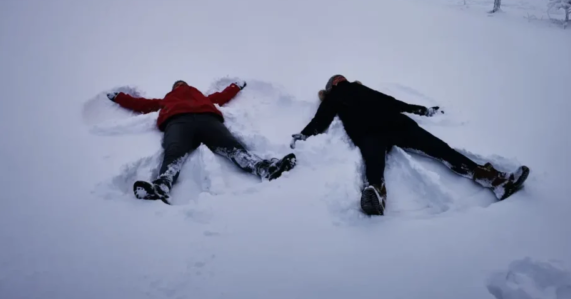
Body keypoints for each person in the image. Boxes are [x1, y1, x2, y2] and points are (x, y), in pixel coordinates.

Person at [291, 75, 529, 216]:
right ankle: (494, 179)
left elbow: (320, 121)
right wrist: (421, 110)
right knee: (440, 149)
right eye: (338, 80)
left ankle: (376, 192)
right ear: (337, 84)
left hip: (369, 133)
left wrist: (302, 136)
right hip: (397, 124)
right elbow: (393, 102)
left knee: (374, 163)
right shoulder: (360, 88)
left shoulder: (334, 98)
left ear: (330, 88)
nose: (339, 82)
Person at [108, 80, 297, 203]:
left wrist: (236, 86)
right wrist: (119, 97)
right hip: (178, 121)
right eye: (177, 84)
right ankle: (162, 185)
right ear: (173, 89)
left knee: (232, 146)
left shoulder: (202, 97)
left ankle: (264, 168)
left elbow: (222, 97)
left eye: (182, 83)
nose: (180, 85)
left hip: (208, 119)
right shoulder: (166, 99)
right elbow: (142, 104)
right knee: (174, 150)